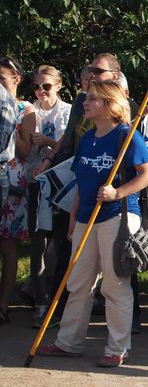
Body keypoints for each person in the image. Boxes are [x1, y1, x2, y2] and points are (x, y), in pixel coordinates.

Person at [38, 80, 148, 367]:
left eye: (92, 99)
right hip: (86, 217)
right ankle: (68, 343)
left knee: (114, 286)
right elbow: (81, 181)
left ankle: (117, 348)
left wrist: (118, 192)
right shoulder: (88, 137)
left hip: (118, 216)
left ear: (108, 104)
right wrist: (74, 215)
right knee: (78, 282)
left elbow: (147, 174)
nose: (85, 103)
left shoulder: (126, 136)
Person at [27, 65, 71, 327]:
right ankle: (39, 301)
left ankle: (58, 301)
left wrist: (47, 141)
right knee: (37, 241)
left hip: (61, 182)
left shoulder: (67, 111)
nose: (41, 91)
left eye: (47, 86)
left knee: (61, 241)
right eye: (36, 86)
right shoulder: (29, 110)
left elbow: (68, 146)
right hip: (35, 181)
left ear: (58, 86)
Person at [0, 57, 36, 324]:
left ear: (16, 78)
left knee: (8, 244)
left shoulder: (25, 109)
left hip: (13, 181)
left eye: (2, 79)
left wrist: (11, 126)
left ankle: (3, 304)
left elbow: (26, 150)